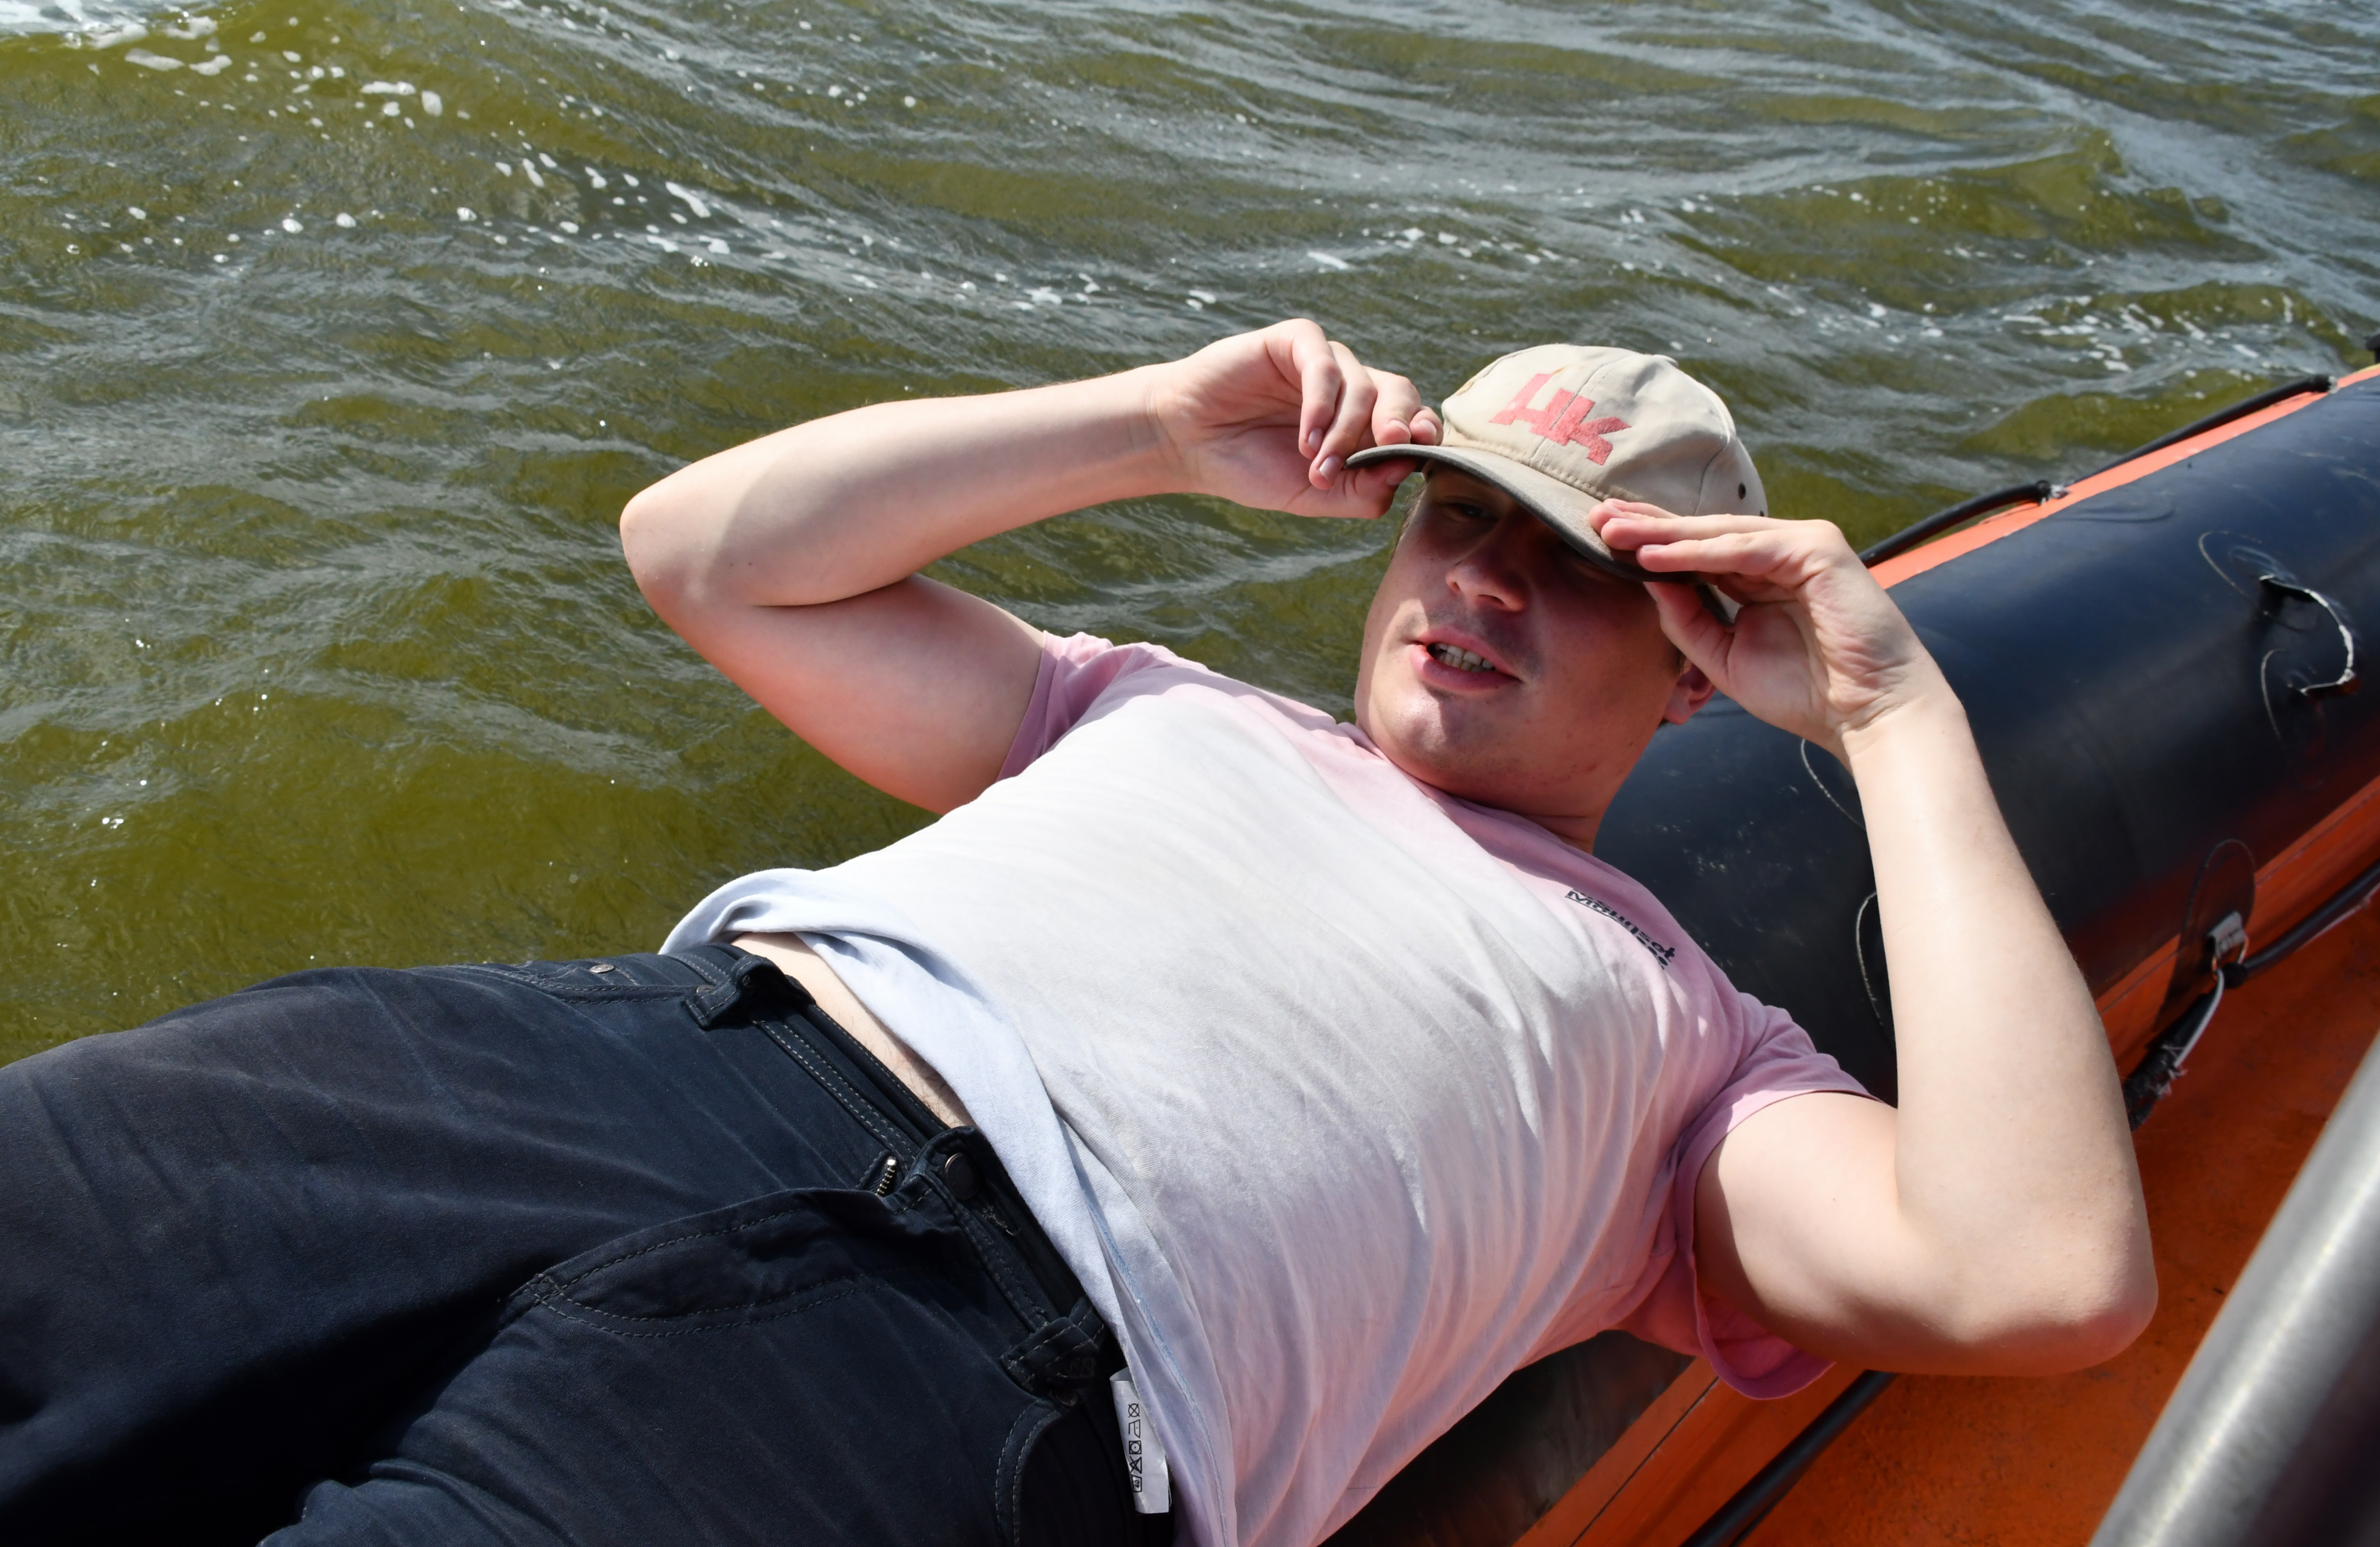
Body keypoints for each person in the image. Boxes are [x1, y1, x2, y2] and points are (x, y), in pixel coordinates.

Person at [0, 322, 2154, 1547]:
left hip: (975, 1356)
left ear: (1694, 665)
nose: (1482, 579)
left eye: (1580, 565)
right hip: (633, 1056)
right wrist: (1150, 429)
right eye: (1457, 514)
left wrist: (1891, 708)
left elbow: (2040, 1270)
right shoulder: (1150, 704)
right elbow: (704, 555)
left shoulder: (1688, 1055)